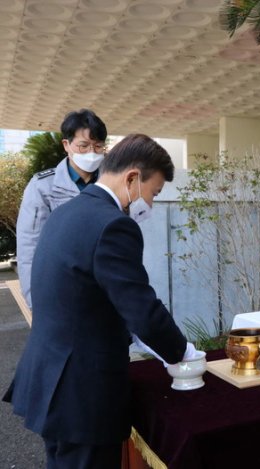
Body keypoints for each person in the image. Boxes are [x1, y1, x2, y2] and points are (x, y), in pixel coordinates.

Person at [3, 134, 196, 469]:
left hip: (51, 377)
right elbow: (142, 309)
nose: (149, 205)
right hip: (83, 392)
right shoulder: (113, 225)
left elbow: (83, 295)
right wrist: (182, 353)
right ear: (133, 178)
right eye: (153, 193)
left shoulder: (65, 213)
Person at [17, 108, 108, 309]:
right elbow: (29, 248)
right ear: (66, 145)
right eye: (83, 146)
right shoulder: (42, 186)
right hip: (61, 290)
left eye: (98, 146)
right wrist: (36, 303)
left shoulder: (112, 183)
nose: (91, 153)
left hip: (106, 289)